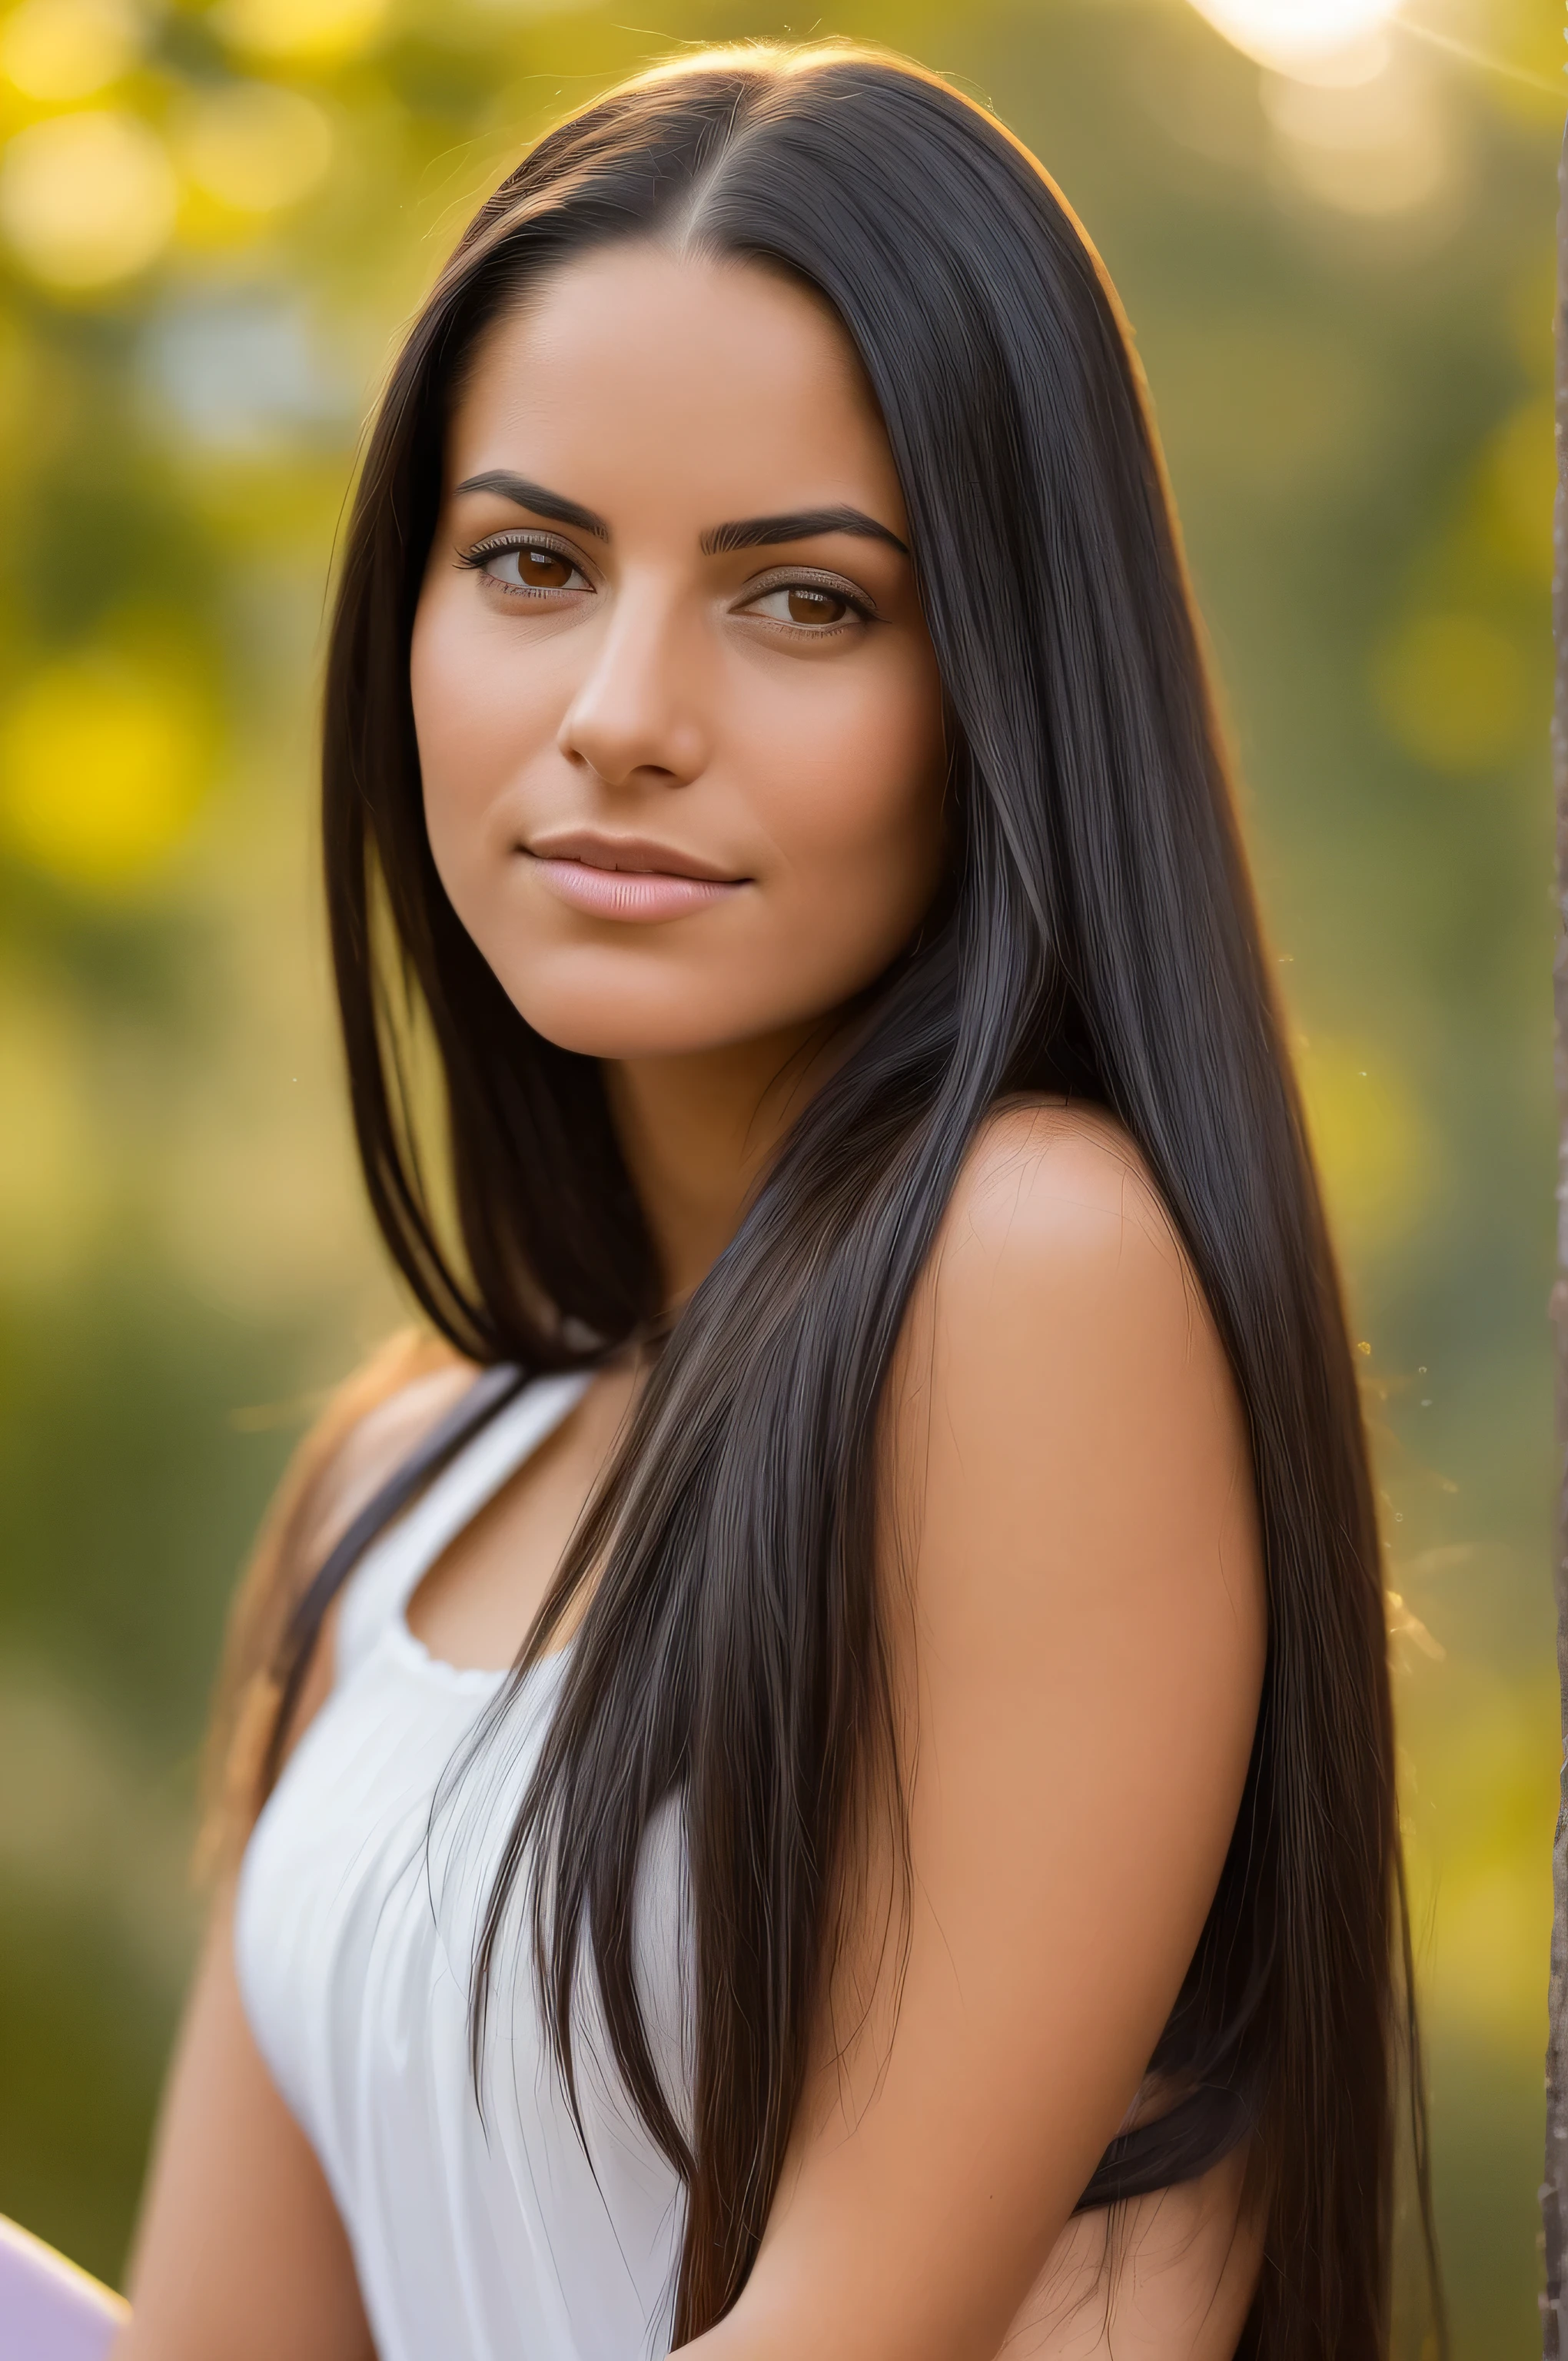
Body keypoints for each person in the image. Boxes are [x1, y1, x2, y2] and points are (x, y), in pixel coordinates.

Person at [113, 42, 1435, 2361]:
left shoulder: (1038, 1276)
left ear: (1003, 682)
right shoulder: (399, 1484)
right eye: (530, 563)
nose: (621, 709)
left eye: (804, 602)